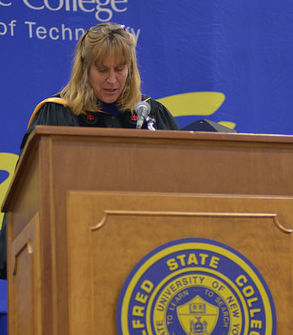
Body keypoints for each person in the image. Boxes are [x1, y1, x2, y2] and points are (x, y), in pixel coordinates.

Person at [0, 22, 179, 279]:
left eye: (120, 69)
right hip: (74, 259)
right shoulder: (58, 115)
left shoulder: (152, 116)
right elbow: (28, 192)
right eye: (102, 69)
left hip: (147, 259)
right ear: (84, 69)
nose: (112, 79)